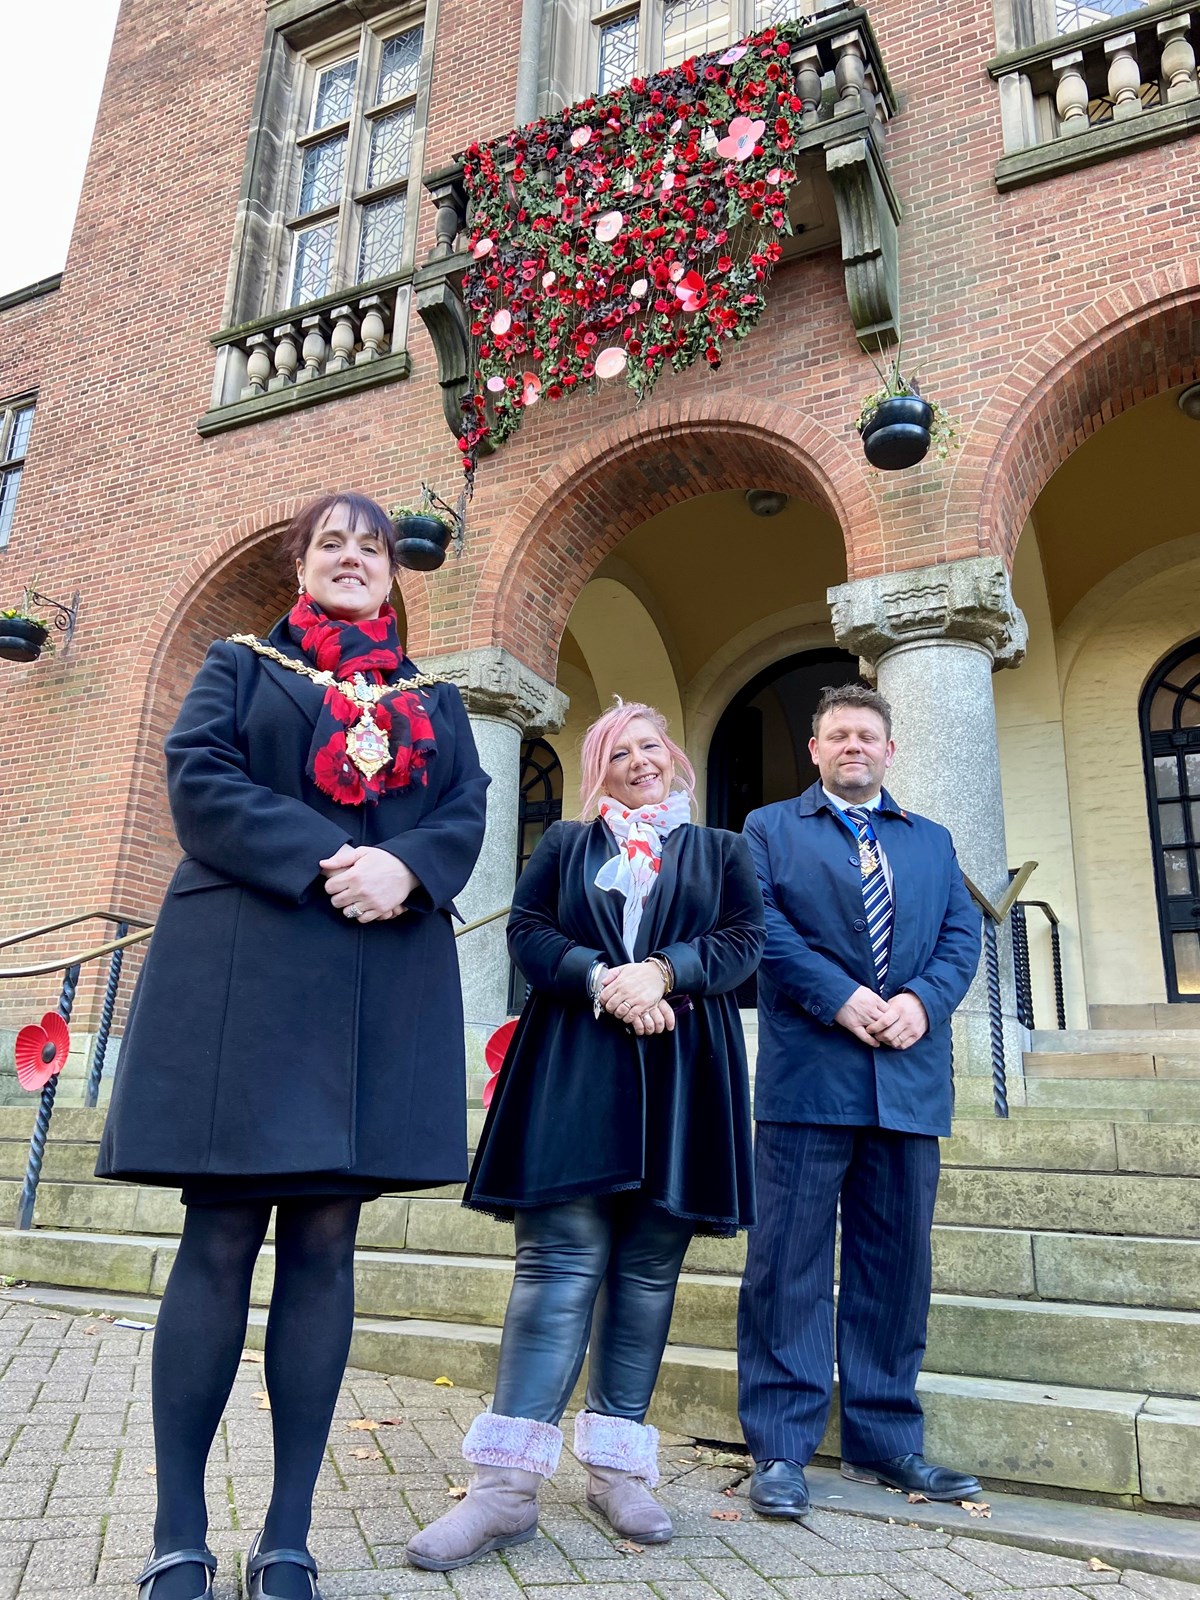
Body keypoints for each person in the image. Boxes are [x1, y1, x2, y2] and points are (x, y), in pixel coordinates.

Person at [96, 491, 489, 1600]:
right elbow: (201, 779)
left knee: (326, 1244)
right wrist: (336, 856)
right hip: (248, 982)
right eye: (333, 544)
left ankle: (288, 1537)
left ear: (393, 578)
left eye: (372, 546)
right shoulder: (238, 666)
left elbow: (463, 806)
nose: (355, 557)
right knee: (219, 1238)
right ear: (301, 571)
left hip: (374, 991)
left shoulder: (440, 700)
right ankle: (178, 1531)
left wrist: (405, 868)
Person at [404, 701, 765, 1573]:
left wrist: (666, 973)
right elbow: (529, 933)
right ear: (597, 770)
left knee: (646, 1271)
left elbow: (746, 939)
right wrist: (607, 980)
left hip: (684, 1065)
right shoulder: (568, 845)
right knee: (558, 1264)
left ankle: (615, 1472)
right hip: (575, 1058)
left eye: (651, 747)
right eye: (618, 752)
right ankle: (503, 1492)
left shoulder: (721, 852)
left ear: (674, 758)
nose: (639, 761)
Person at [736, 682, 982, 1518]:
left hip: (909, 1084)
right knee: (788, 1267)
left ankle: (886, 1443)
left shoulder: (933, 841)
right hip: (812, 1078)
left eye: (867, 735)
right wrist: (839, 997)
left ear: (889, 750)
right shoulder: (769, 830)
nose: (854, 747)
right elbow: (763, 928)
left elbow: (961, 936)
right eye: (838, 735)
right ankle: (780, 1449)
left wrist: (922, 1002)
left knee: (894, 1269)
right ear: (815, 750)